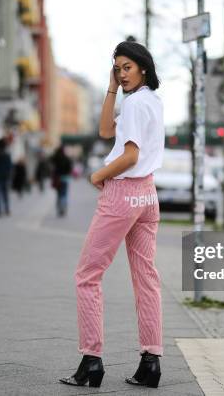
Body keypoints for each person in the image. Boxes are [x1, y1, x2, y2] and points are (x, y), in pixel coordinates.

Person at [59, 41, 164, 388]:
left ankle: (91, 361)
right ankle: (151, 362)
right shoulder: (151, 101)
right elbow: (106, 131)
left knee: (87, 275)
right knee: (146, 278)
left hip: (123, 195)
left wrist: (98, 175)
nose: (122, 73)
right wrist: (112, 88)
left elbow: (130, 155)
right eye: (117, 68)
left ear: (143, 67)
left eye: (127, 67)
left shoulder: (136, 103)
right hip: (148, 196)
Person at [51, 145, 73, 216]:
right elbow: (70, 169)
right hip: (65, 178)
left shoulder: (55, 158)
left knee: (59, 194)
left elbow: (50, 159)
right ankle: (63, 209)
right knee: (64, 194)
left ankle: (59, 209)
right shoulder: (66, 158)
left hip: (57, 178)